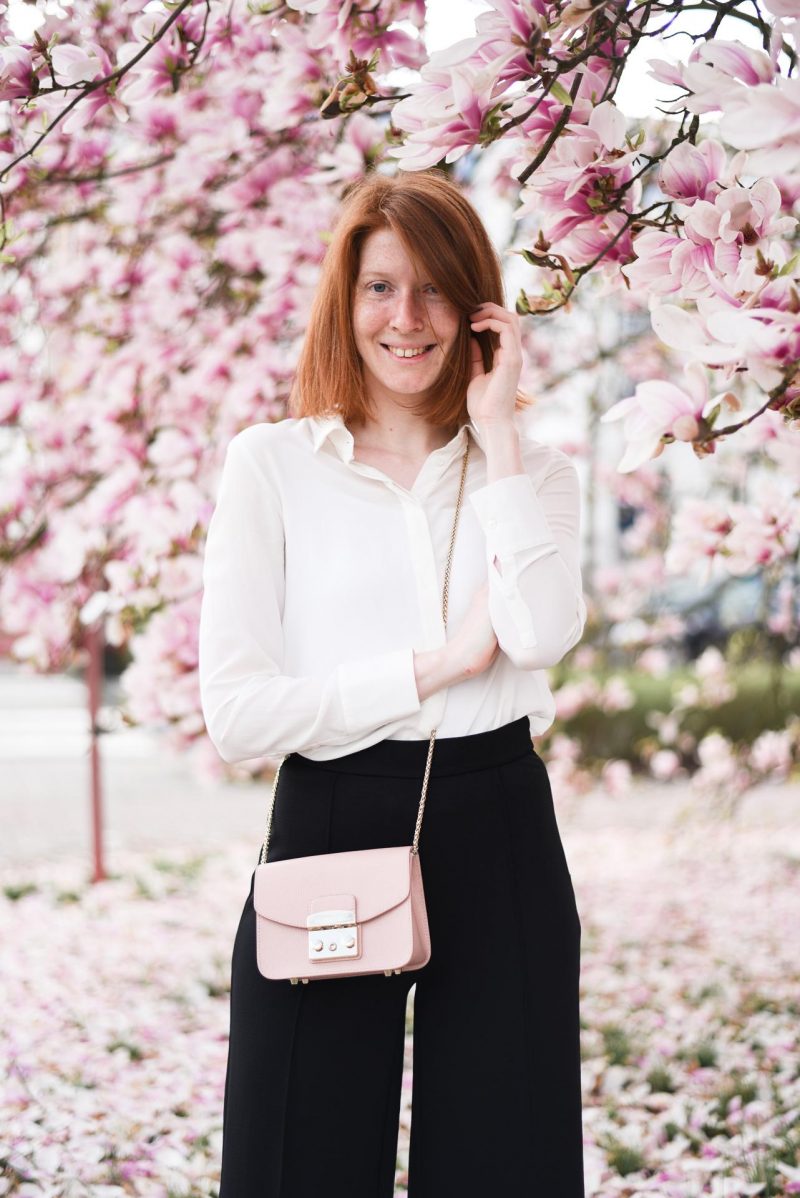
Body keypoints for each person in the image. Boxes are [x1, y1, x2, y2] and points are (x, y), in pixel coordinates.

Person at [197, 167, 587, 1198]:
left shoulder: (534, 472)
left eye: (431, 290)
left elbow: (541, 633)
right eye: (378, 287)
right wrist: (435, 666)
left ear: (476, 309)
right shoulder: (271, 465)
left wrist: (497, 434)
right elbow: (237, 715)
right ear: (345, 300)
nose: (404, 318)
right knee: (301, 1154)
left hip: (497, 816)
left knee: (508, 1156)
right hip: (331, 810)